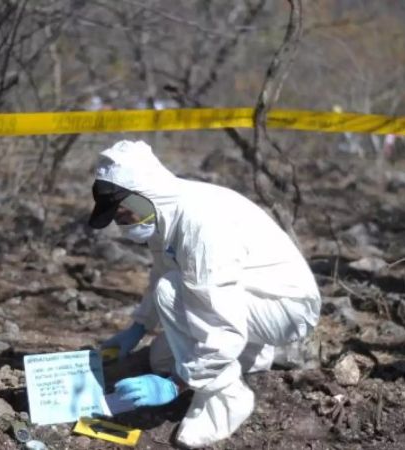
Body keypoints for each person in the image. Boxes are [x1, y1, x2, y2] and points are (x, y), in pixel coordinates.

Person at [89, 140, 321, 448]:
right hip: (253, 297)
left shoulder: (200, 224)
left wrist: (176, 385)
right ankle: (251, 354)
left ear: (144, 193)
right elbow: (161, 270)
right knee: (162, 358)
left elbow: (220, 322)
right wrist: (138, 327)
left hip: (285, 307)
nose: (122, 224)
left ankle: (226, 401)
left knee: (173, 295)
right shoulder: (166, 214)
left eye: (124, 213)